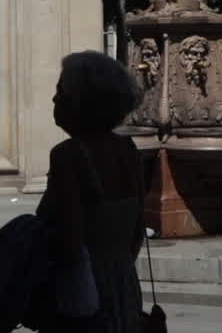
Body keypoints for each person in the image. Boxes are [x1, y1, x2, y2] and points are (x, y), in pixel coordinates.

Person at [34, 51, 145, 333]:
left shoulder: (68, 156)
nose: (54, 100)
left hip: (83, 294)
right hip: (124, 286)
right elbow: (137, 229)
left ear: (82, 101)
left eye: (61, 92)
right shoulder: (128, 150)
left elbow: (69, 240)